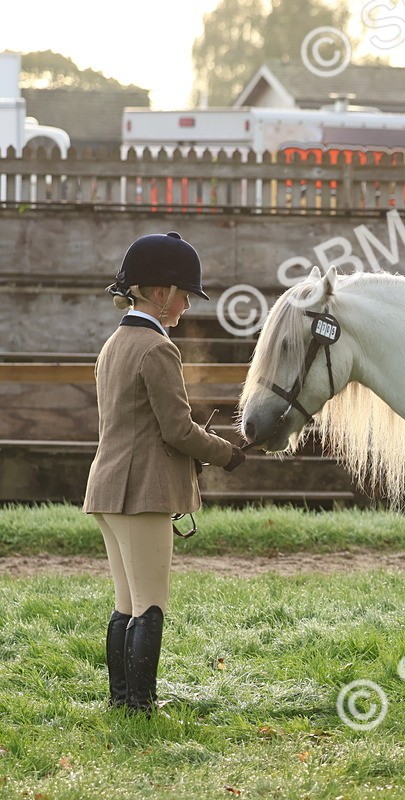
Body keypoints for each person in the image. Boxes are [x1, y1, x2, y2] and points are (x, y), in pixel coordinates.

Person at [83, 231, 246, 714]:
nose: (185, 307)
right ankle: (141, 706)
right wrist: (226, 453)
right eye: (183, 296)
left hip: (107, 488)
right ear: (159, 293)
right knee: (150, 604)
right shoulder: (157, 349)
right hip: (143, 492)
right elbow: (177, 431)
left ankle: (122, 701)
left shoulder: (114, 344)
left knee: (126, 603)